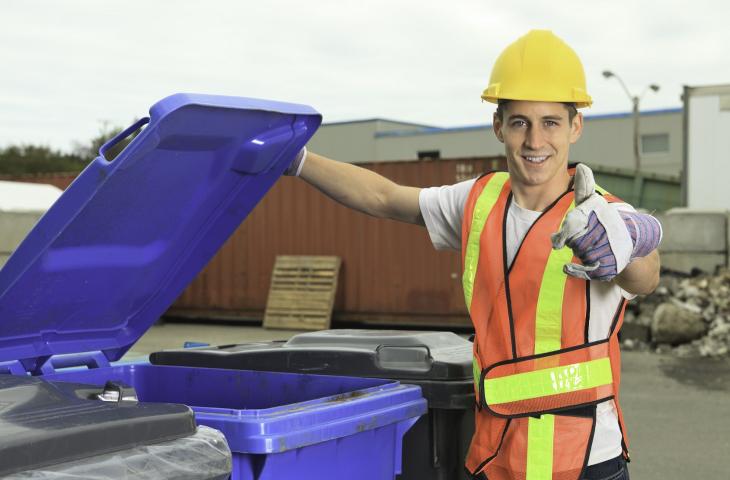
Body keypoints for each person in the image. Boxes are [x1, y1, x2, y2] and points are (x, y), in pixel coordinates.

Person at [286, 30, 661, 480]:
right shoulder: (478, 201)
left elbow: (646, 276)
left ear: (575, 127)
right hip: (493, 455)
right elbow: (383, 197)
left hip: (582, 459)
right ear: (498, 125)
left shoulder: (599, 214)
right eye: (520, 121)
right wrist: (298, 160)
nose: (535, 140)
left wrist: (629, 245)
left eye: (551, 122)